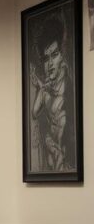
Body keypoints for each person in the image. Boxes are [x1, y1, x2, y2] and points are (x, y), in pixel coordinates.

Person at [30, 17, 73, 172]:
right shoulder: (47, 87)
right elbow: (34, 112)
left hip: (67, 155)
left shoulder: (67, 82)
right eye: (46, 59)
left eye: (54, 55)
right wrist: (42, 88)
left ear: (62, 54)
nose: (50, 65)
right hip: (51, 152)